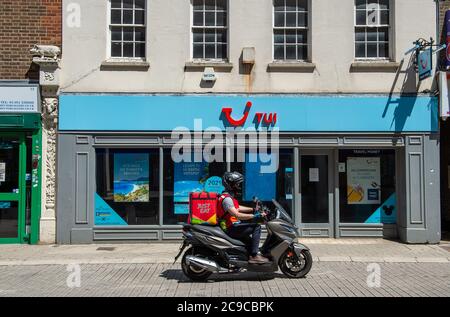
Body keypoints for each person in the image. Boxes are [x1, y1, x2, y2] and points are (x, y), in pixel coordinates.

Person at [217, 171, 270, 264]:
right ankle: (254, 256)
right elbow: (237, 214)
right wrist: (256, 216)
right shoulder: (227, 199)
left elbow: (238, 207)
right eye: (237, 184)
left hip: (233, 226)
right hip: (231, 228)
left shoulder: (227, 197)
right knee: (256, 227)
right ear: (231, 184)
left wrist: (253, 209)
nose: (239, 186)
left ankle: (247, 257)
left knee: (250, 241)